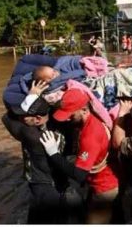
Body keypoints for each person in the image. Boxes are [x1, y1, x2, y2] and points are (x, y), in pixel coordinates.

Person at [1, 82, 84, 223]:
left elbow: (6, 118)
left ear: (38, 119)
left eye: (25, 117)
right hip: (59, 178)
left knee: (41, 218)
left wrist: (31, 95)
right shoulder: (62, 122)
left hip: (42, 183)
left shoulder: (31, 135)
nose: (22, 119)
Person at [39, 88, 119, 224]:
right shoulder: (94, 118)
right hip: (105, 179)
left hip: (104, 188)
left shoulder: (90, 137)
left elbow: (79, 175)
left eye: (70, 114)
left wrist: (54, 154)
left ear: (84, 109)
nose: (67, 118)